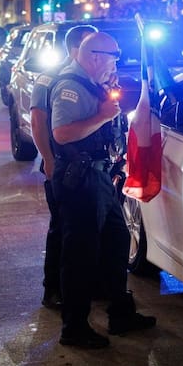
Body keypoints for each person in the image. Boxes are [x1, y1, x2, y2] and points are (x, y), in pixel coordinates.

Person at [50, 30, 154, 348]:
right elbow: (62, 133)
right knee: (80, 255)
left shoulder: (92, 82)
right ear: (94, 56)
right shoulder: (70, 85)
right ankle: (75, 327)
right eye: (113, 57)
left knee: (116, 241)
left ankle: (120, 312)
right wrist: (101, 116)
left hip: (99, 177)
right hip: (80, 181)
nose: (115, 64)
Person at [29, 24, 96, 310]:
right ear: (74, 49)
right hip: (61, 164)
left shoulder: (92, 76)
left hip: (87, 167)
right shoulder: (51, 78)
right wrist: (48, 158)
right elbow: (37, 122)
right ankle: (52, 289)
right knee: (62, 228)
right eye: (89, 45)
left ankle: (86, 286)